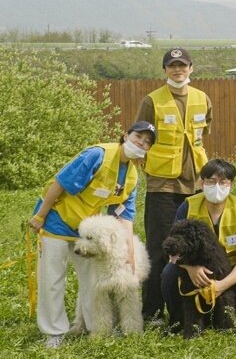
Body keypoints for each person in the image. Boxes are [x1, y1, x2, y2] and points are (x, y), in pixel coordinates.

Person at [28, 122, 155, 347]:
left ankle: (94, 327)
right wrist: (40, 215)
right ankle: (54, 332)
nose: (141, 144)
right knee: (52, 280)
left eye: (146, 143)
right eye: (138, 137)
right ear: (125, 135)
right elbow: (59, 183)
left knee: (92, 281)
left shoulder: (132, 176)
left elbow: (125, 216)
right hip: (56, 221)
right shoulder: (98, 155)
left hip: (87, 231)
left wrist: (130, 253)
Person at [136, 47, 211, 320]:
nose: (178, 70)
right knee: (159, 248)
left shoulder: (203, 99)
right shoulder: (152, 101)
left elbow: (203, 136)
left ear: (191, 68)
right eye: (172, 66)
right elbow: (139, 140)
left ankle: (185, 309)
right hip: (162, 186)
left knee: (191, 248)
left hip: (195, 186)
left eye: (183, 65)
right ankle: (152, 312)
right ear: (164, 70)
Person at [161, 159, 236, 330]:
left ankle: (233, 314)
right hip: (194, 266)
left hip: (229, 268)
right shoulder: (187, 206)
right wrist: (189, 268)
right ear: (201, 182)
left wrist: (221, 285)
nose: (217, 186)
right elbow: (173, 246)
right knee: (169, 274)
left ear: (231, 184)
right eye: (211, 181)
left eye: (223, 182)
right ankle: (178, 319)